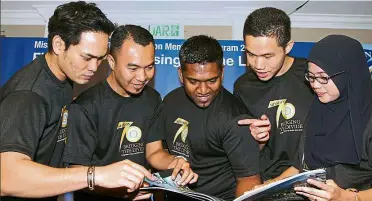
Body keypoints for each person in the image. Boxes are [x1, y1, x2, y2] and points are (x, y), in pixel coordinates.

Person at [0, 2, 154, 201]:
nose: (94, 67)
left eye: (99, 59)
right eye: (87, 57)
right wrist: (95, 174)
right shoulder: (28, 96)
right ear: (58, 45)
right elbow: (6, 178)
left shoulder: (64, 79)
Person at [63, 25, 198, 201]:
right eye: (133, 68)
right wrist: (121, 190)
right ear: (111, 62)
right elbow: (77, 174)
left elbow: (154, 153)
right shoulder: (85, 106)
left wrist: (175, 162)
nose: (142, 77)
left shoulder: (152, 99)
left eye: (149, 67)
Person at [162, 35, 261, 201]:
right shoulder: (169, 102)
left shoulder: (235, 118)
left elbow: (249, 181)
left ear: (222, 73)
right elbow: (162, 151)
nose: (203, 90)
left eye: (212, 80)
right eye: (193, 81)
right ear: (181, 74)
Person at [234, 7, 314, 183]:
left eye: (268, 56)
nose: (258, 65)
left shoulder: (312, 76)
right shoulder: (242, 86)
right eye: (251, 54)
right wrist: (256, 140)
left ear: (288, 47)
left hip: (310, 182)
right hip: (265, 185)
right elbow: (244, 153)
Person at [292, 35, 372, 201]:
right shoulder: (317, 109)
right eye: (311, 77)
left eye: (323, 77)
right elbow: (299, 167)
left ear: (348, 74)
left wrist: (348, 197)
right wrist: (270, 185)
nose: (315, 84)